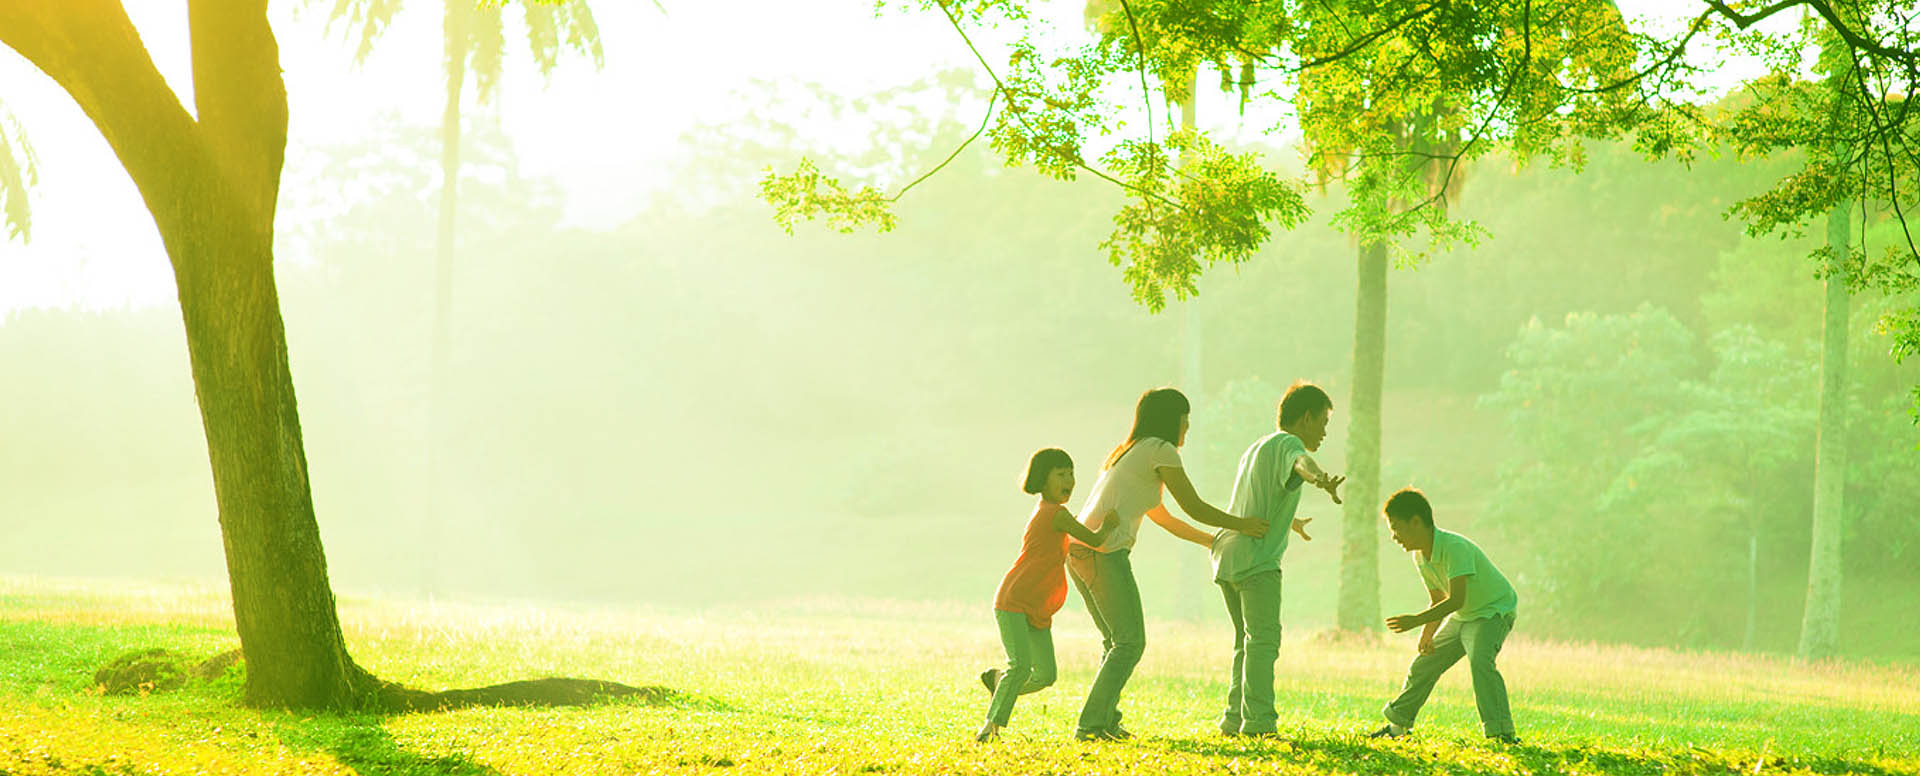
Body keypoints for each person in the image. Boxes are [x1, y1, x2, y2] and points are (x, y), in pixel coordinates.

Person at [1066, 387, 1271, 742]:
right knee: (1129, 643)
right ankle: (1089, 726)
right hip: (1103, 553)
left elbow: (1164, 517)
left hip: (1078, 552)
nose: (1187, 428)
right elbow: (1192, 504)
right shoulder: (1161, 451)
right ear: (1170, 419)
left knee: (1115, 642)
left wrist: (1211, 539)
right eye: (1185, 420)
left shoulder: (1130, 451)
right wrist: (1243, 525)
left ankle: (1104, 720)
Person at [1208, 382, 1344, 738]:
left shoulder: (1256, 447)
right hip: (1256, 560)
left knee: (1246, 642)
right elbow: (1301, 463)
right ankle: (1259, 723)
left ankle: (1233, 719)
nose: (1325, 432)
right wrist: (1319, 478)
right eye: (1323, 422)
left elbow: (1261, 496)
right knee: (1264, 642)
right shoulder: (1290, 444)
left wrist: (1291, 522)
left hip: (1227, 555)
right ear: (1306, 417)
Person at [976, 448, 1118, 743]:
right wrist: (1110, 525)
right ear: (1043, 480)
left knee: (1045, 675)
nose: (1069, 479)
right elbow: (1092, 539)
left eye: (1071, 473)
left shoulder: (1054, 513)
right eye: (1061, 474)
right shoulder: (1055, 513)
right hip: (1014, 599)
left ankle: (999, 682)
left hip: (1036, 605)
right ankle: (990, 728)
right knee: (1021, 666)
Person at [1368, 487, 1521, 744]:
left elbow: (1456, 599)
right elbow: (1439, 598)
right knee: (1424, 664)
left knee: (1480, 662)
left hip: (1492, 611)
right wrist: (1427, 634)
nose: (1394, 536)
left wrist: (1415, 620)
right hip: (1463, 615)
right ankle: (1397, 727)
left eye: (1396, 527)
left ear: (1416, 522)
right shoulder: (1420, 556)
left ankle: (1502, 733)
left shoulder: (1454, 548)